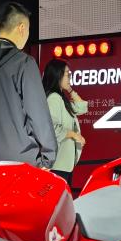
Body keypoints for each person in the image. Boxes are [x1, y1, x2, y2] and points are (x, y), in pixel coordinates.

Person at [0, 1, 57, 168]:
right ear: (22, 28)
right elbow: (38, 114)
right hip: (21, 162)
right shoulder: (23, 63)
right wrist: (48, 158)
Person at [42, 59, 88, 188]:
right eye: (67, 74)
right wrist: (74, 135)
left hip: (64, 164)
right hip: (57, 164)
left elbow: (82, 107)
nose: (70, 77)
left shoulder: (61, 98)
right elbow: (52, 128)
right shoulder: (54, 98)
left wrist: (70, 90)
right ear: (58, 75)